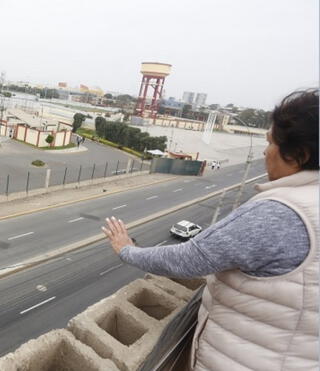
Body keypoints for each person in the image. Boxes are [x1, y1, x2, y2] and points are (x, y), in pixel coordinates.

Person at [102, 89, 318, 370]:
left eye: (270, 142)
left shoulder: (276, 213)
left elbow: (186, 260)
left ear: (299, 155)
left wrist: (127, 250)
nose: (266, 152)